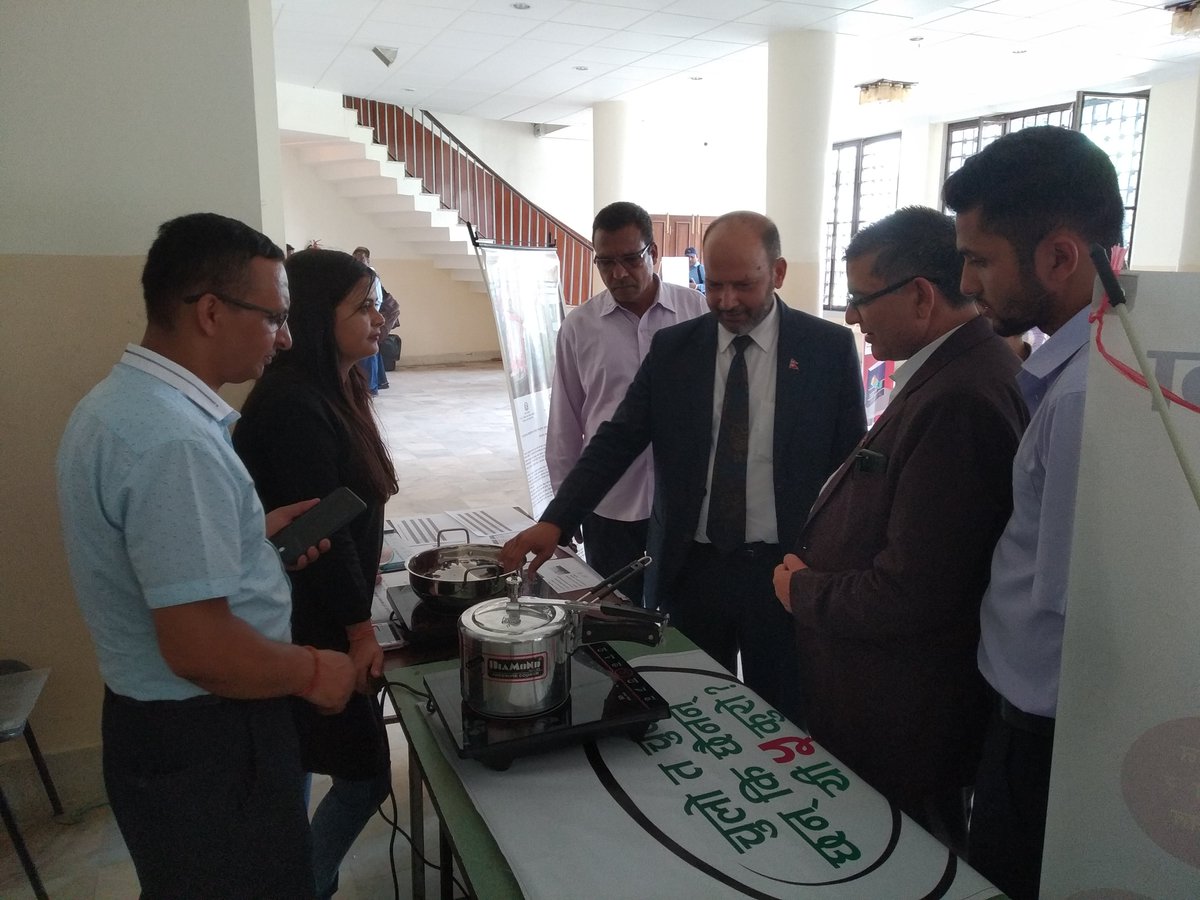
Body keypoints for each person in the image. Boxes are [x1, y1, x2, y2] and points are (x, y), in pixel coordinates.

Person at [56, 212, 356, 899]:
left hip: (155, 727)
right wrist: (315, 669)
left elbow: (153, 561)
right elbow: (200, 648)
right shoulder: (174, 443)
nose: (285, 338)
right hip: (210, 736)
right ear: (211, 312)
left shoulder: (117, 406)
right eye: (273, 318)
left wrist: (248, 544)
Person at [502, 211, 865, 724]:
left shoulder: (826, 350)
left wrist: (834, 569)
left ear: (778, 273)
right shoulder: (676, 349)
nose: (727, 301)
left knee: (781, 714)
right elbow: (616, 440)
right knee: (688, 707)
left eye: (744, 285)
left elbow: (848, 471)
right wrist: (557, 519)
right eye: (714, 285)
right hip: (691, 570)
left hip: (784, 571)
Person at [772, 206, 1028, 851]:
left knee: (900, 855)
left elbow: (918, 589)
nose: (851, 316)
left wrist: (804, 592)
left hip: (905, 713)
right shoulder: (947, 373)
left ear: (919, 296)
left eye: (861, 298)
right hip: (888, 697)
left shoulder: (959, 397)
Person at [943, 126, 1124, 899]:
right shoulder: (1099, 361)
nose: (965, 281)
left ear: (1058, 257)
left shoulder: (1085, 395)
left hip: (1045, 729)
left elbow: (1070, 607)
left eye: (980, 259)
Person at [234, 248, 396, 899]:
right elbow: (321, 535)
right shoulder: (294, 405)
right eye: (363, 307)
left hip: (320, 613)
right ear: (314, 316)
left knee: (302, 760)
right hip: (309, 623)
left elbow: (344, 511)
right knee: (364, 777)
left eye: (377, 304)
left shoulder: (338, 388)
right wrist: (360, 630)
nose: (379, 318)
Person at [546, 202, 707, 606]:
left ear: (653, 253)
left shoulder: (697, 313)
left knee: (686, 614)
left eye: (631, 259)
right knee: (616, 615)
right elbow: (565, 422)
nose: (618, 273)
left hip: (688, 503)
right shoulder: (579, 327)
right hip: (609, 505)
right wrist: (567, 505)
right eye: (606, 262)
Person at [352, 246, 390, 392]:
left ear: (367, 260)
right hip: (363, 317)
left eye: (361, 258)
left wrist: (370, 316)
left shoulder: (372, 276)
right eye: (355, 258)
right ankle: (374, 383)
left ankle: (371, 386)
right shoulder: (356, 275)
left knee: (369, 352)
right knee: (370, 350)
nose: (358, 261)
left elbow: (377, 300)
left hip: (369, 318)